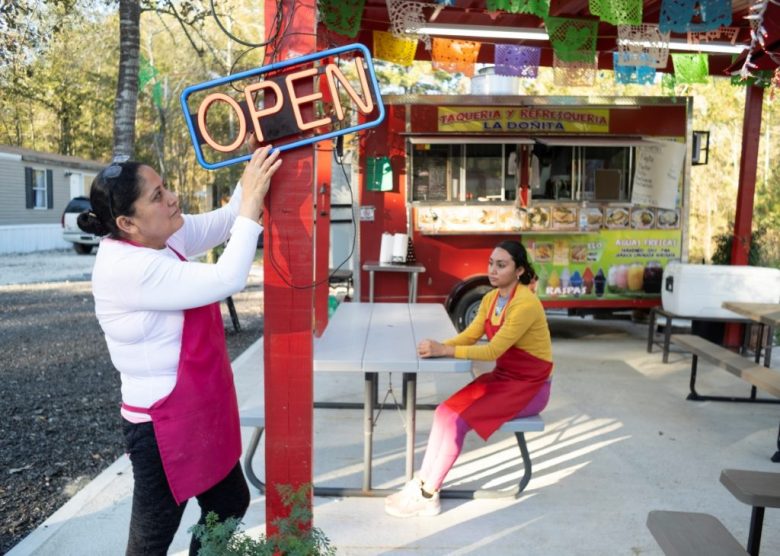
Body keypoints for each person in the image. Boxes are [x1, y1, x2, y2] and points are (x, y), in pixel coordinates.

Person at [77, 141, 281, 555]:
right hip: (160, 427)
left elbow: (226, 221)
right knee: (151, 542)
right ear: (126, 223)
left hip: (198, 409)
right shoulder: (128, 268)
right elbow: (228, 278)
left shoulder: (162, 237)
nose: (173, 198)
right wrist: (252, 204)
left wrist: (255, 161)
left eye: (165, 187)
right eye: (158, 196)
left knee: (228, 502)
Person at [384, 240, 553, 518]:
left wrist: (445, 350)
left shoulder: (525, 304)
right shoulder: (490, 298)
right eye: (491, 263)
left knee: (457, 422)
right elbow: (470, 336)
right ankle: (421, 483)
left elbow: (492, 349)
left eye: (501, 265)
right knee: (444, 412)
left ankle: (429, 496)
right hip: (504, 378)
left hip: (530, 388)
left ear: (520, 270)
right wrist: (439, 346)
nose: (493, 270)